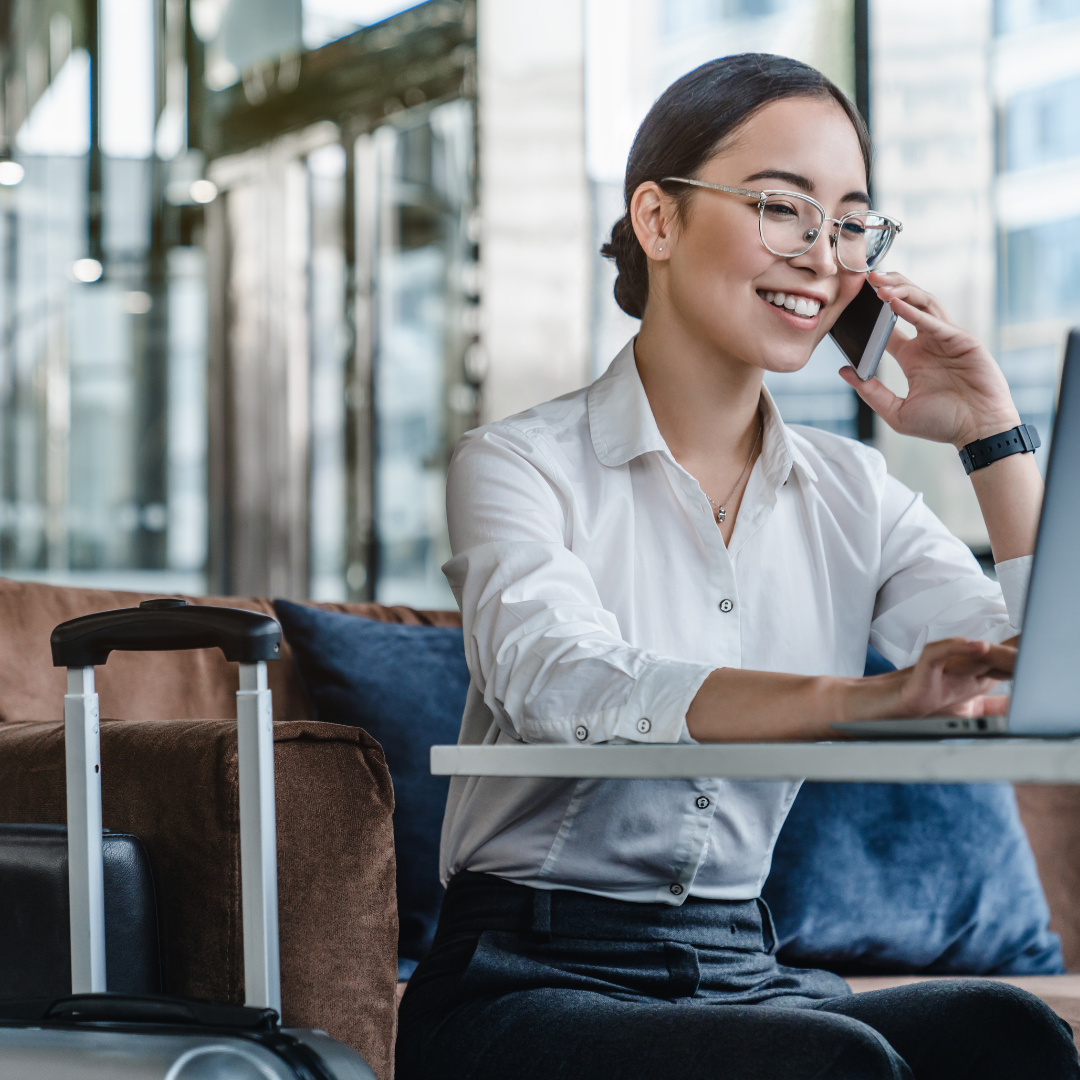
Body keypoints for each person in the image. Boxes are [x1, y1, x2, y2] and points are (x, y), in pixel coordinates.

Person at [396, 53, 1079, 1080]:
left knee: (1011, 1037)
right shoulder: (516, 465)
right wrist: (867, 697)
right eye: (781, 208)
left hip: (743, 966)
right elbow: (560, 683)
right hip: (529, 977)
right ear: (658, 222)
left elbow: (1045, 683)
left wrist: (991, 436)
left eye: (849, 223)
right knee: (827, 1063)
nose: (821, 255)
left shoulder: (858, 493)